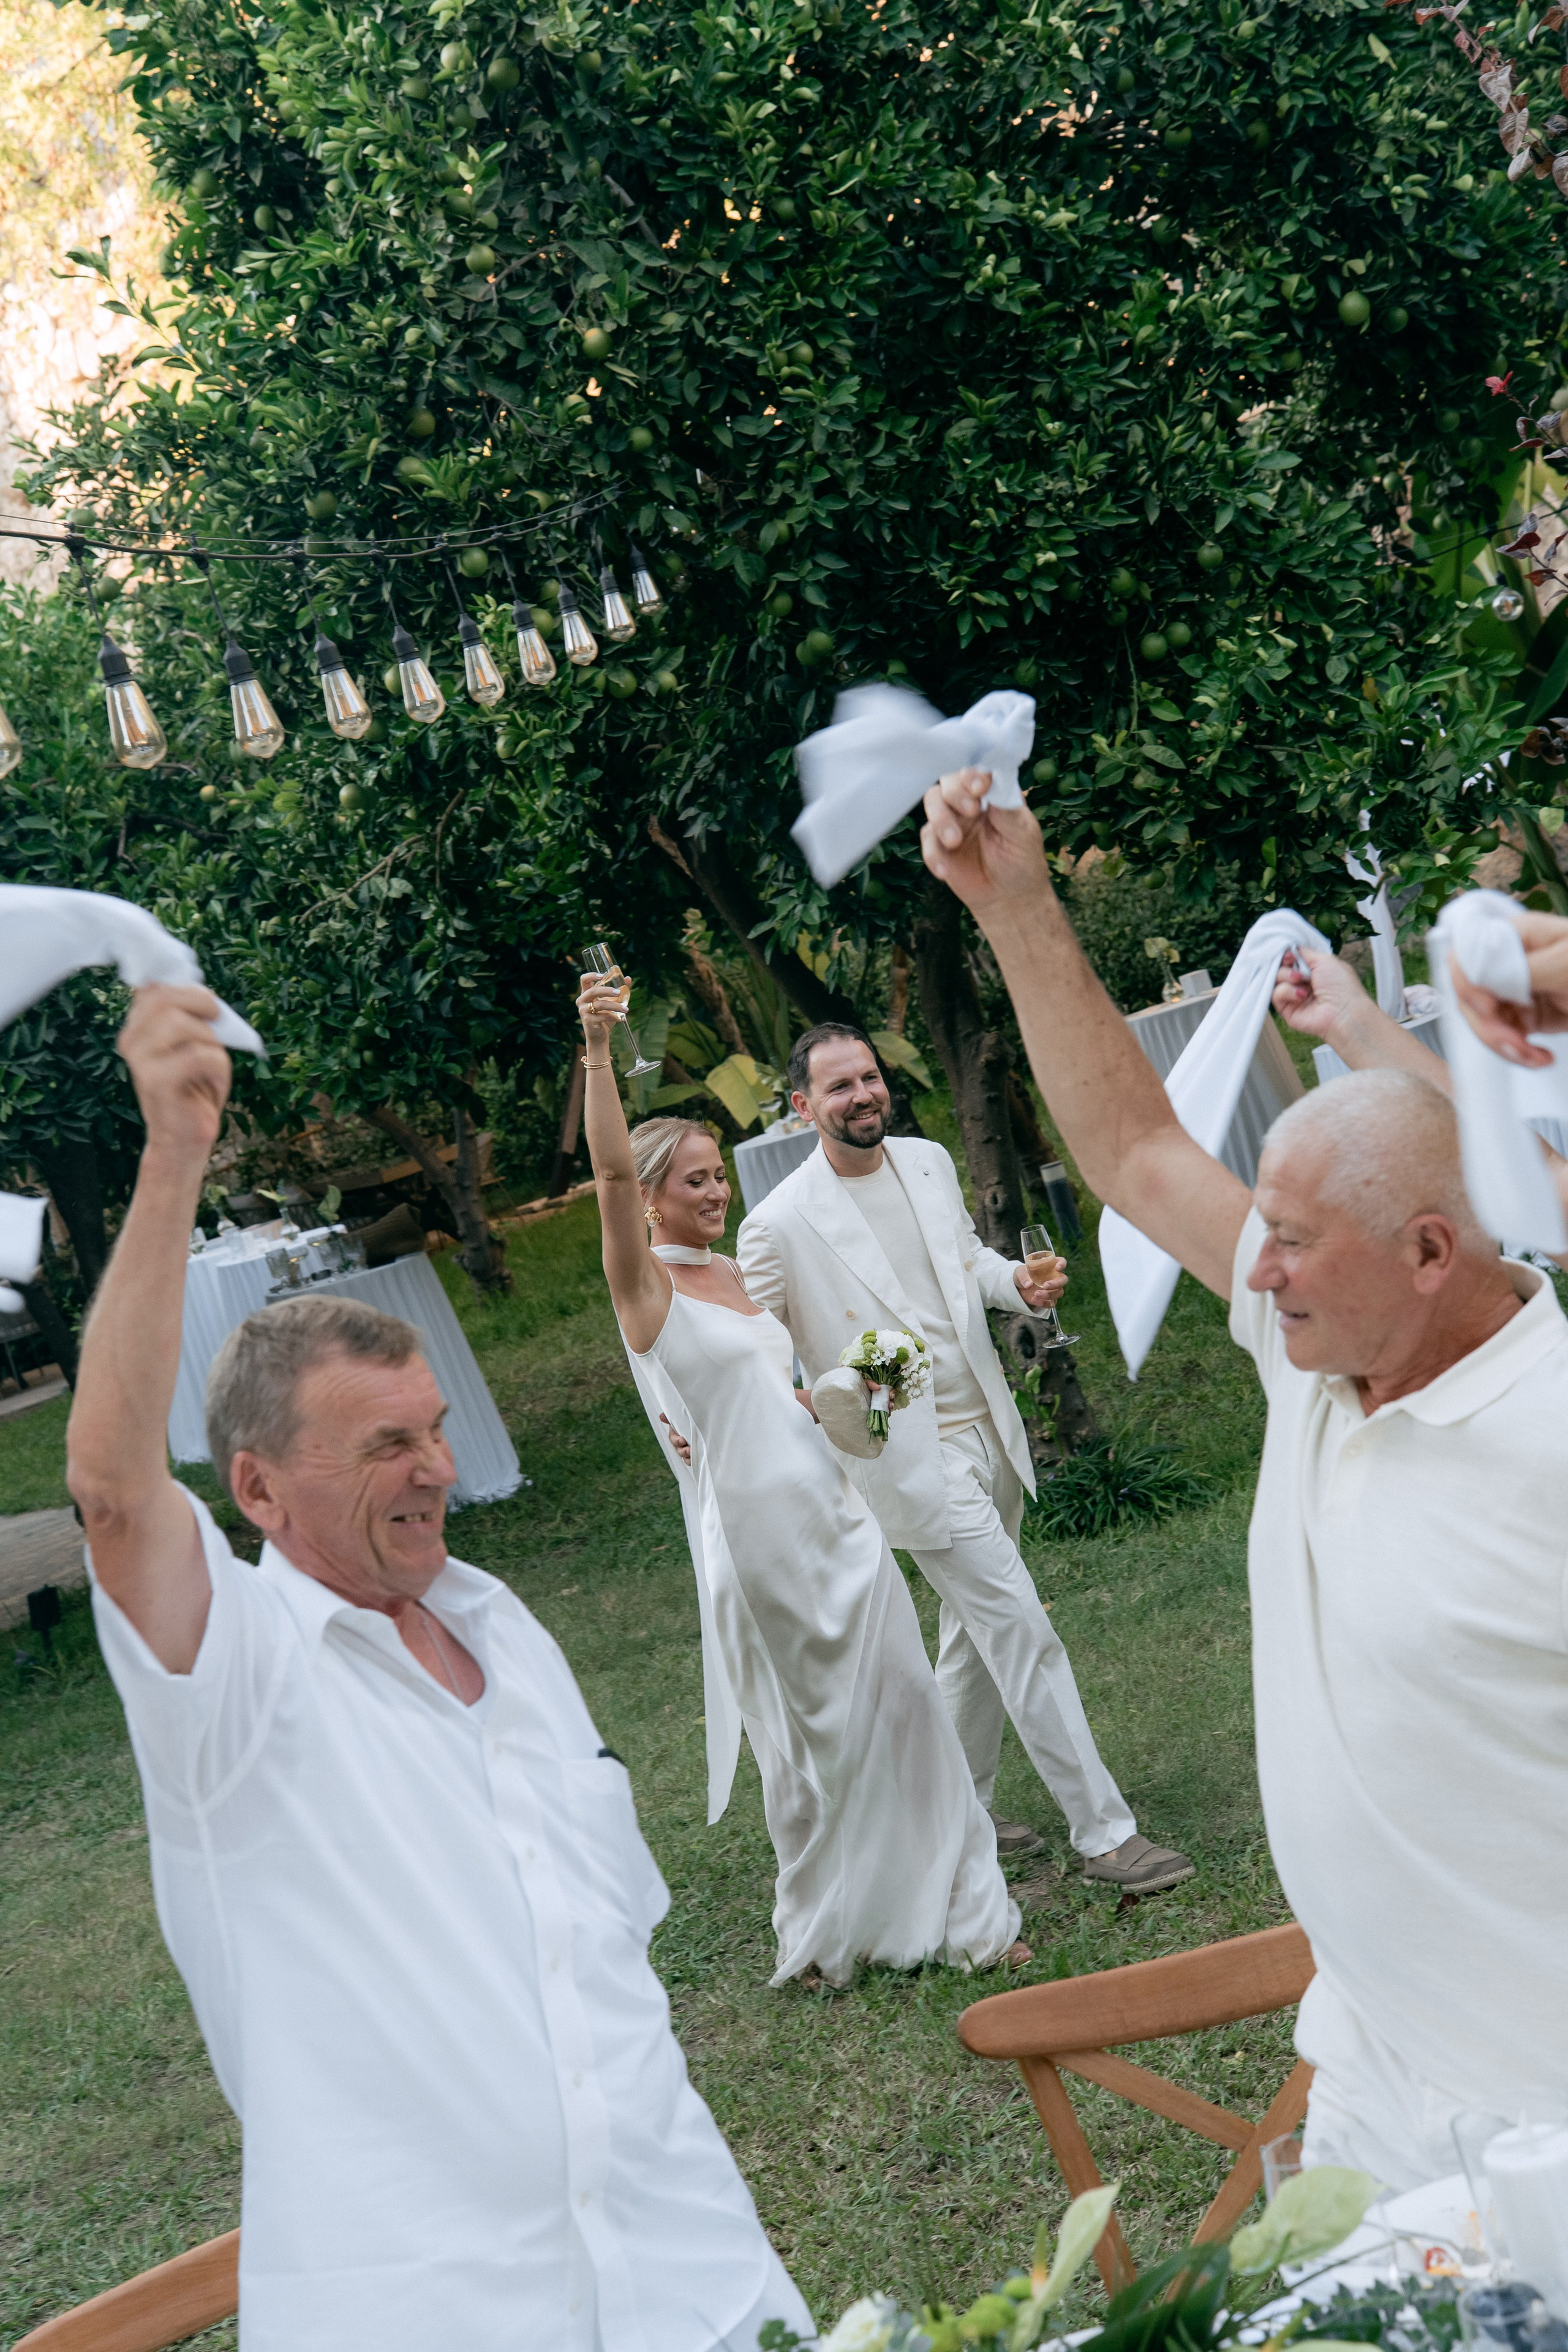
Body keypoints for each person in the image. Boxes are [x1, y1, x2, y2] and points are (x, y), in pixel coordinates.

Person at [66, 981, 815, 2352]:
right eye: (384, 1448)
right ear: (257, 1489)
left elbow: (604, 1960)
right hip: (438, 2311)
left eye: (432, 1429)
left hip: (687, 2269)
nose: (435, 1471)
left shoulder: (503, 1632)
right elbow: (115, 1499)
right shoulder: (230, 1688)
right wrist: (173, 1159)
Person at [918, 768, 1568, 2190]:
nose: (1249, 1268)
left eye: (1288, 1238)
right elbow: (1138, 1150)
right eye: (1254, 1226)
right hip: (1366, 2087)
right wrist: (1015, 906)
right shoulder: (1315, 1360)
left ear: (1426, 1255)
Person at [575, 970, 1024, 1988]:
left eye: (716, 1176)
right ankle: (826, 1933)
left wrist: (855, 1392)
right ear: (646, 1198)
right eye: (691, 1181)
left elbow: (775, 1392)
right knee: (809, 1748)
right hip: (756, 1540)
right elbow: (604, 1179)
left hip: (835, 1512)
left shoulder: (735, 1269)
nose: (714, 1192)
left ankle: (971, 1914)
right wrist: (599, 1051)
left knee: (907, 1704)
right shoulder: (641, 1284)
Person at [736, 1021, 1194, 1896]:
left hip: (991, 1429)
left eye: (869, 1078)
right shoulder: (777, 1227)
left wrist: (1012, 1285)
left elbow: (966, 1261)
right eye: (839, 1087)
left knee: (974, 1643)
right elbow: (746, 1350)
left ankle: (963, 1818)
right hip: (910, 1460)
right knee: (1019, 1628)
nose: (863, 1095)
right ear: (802, 1108)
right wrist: (752, 1407)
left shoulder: (929, 1160)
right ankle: (1106, 1835)